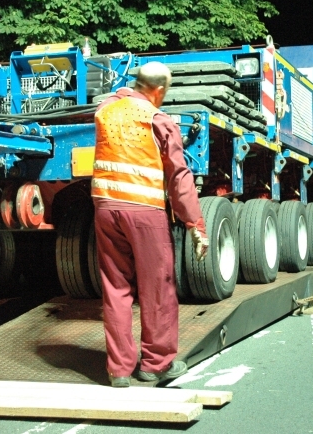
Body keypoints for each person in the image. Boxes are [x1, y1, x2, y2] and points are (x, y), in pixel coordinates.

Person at [92, 61, 210, 387]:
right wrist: (195, 224)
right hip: (145, 211)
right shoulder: (159, 120)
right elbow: (179, 177)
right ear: (159, 90)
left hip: (106, 208)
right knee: (157, 288)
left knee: (115, 289)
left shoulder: (105, 110)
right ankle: (155, 364)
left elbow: (117, 98)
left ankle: (118, 370)